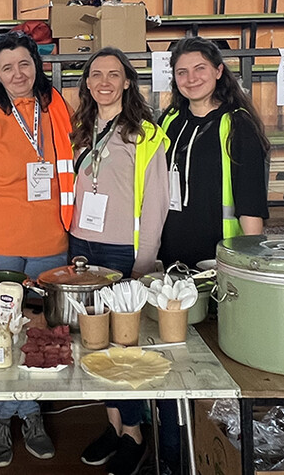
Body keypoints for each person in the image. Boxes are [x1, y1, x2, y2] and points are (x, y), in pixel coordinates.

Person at [0, 31, 74, 467]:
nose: (18, 73)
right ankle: (9, 414)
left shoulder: (56, 105)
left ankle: (18, 412)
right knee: (2, 332)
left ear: (36, 65)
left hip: (51, 242)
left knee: (39, 333)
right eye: (7, 67)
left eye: (24, 63)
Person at [156, 36, 270, 474]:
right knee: (175, 360)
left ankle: (214, 453)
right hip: (173, 255)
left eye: (199, 69)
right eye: (182, 72)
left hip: (219, 257)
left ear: (219, 71)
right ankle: (173, 451)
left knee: (218, 364)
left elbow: (250, 198)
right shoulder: (170, 120)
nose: (191, 78)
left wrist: (247, 262)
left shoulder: (237, 123)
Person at [70, 48, 170, 475]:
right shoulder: (79, 126)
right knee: (93, 341)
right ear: (87, 83)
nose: (104, 81)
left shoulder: (146, 134)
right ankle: (113, 425)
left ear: (128, 81)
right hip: (78, 245)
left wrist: (143, 261)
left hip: (120, 252)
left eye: (114, 74)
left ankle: (134, 433)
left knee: (123, 345)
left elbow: (157, 204)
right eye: (96, 74)